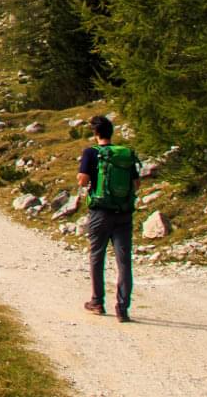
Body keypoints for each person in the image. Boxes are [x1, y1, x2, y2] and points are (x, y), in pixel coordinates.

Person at [77, 114, 138, 322]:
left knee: (97, 256)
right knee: (123, 260)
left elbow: (83, 182)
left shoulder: (91, 153)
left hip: (100, 213)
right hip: (123, 213)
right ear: (111, 132)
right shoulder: (124, 154)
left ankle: (97, 301)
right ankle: (123, 307)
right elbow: (136, 184)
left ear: (95, 133)